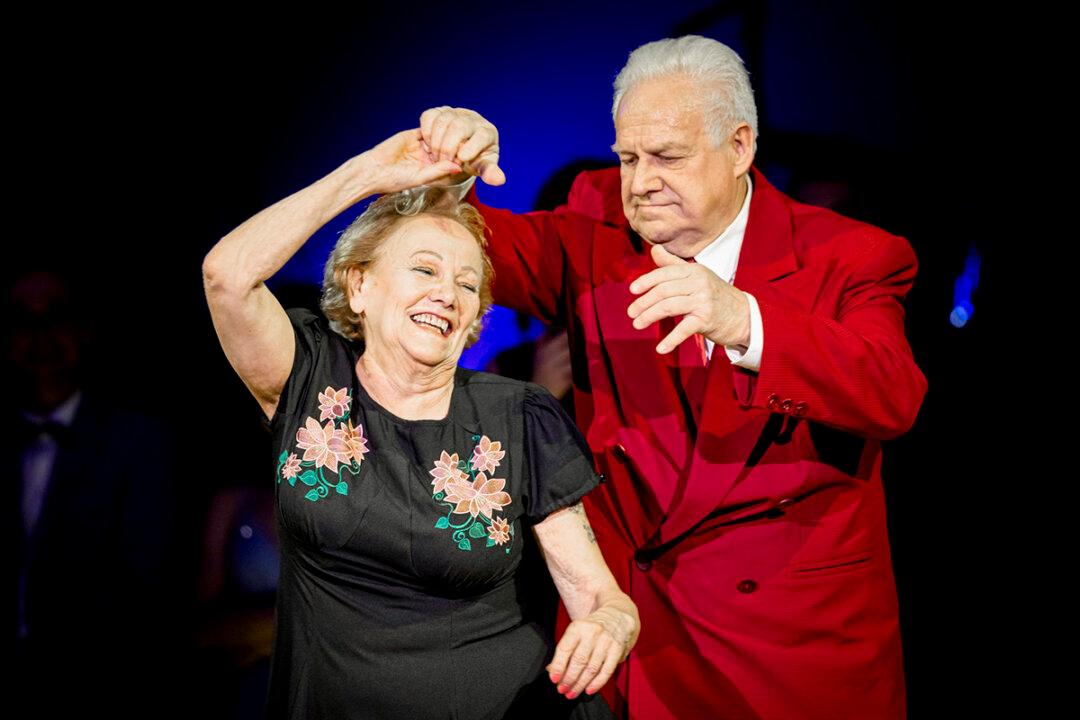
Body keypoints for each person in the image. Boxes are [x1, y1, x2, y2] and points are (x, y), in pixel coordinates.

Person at [417, 35, 927, 720]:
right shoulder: (597, 218)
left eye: (667, 157)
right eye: (628, 156)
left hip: (786, 658)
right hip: (632, 642)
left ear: (740, 147)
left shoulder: (850, 254)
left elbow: (894, 392)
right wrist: (447, 175)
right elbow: (477, 248)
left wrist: (745, 320)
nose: (640, 181)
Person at [202, 127, 639, 719]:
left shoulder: (518, 416)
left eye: (466, 283)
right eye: (425, 270)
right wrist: (368, 174)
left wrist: (610, 623)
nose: (447, 294)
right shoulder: (309, 376)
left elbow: (600, 597)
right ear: (360, 285)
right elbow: (226, 276)